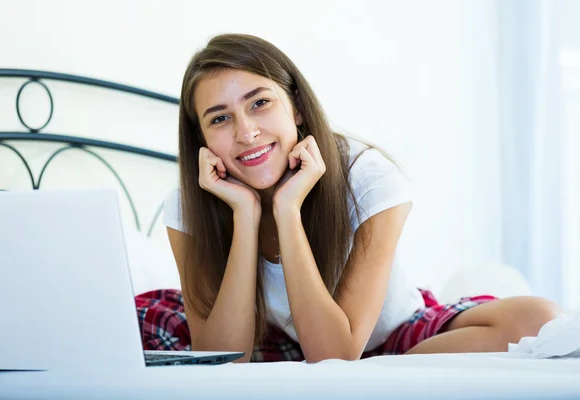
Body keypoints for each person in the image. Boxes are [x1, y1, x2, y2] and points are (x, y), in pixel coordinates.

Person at [135, 33, 560, 363]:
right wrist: (246, 215)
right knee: (132, 325)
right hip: (271, 340)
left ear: (296, 108)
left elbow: (335, 355)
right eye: (220, 118)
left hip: (387, 334)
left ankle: (392, 368)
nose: (246, 132)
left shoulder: (369, 177)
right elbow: (224, 359)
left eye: (260, 103)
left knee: (538, 319)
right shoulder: (188, 204)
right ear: (202, 139)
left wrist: (287, 209)